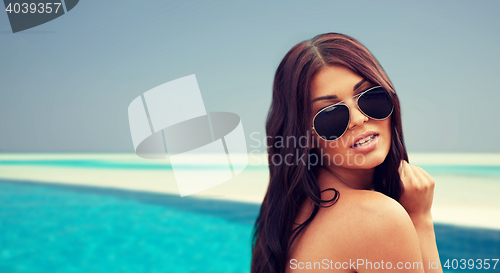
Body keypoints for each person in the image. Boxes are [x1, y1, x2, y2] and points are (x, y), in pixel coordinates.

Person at [251, 33, 442, 273]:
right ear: (305, 136)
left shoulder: (289, 211)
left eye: (370, 97)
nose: (359, 119)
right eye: (330, 114)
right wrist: (420, 218)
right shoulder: (377, 218)